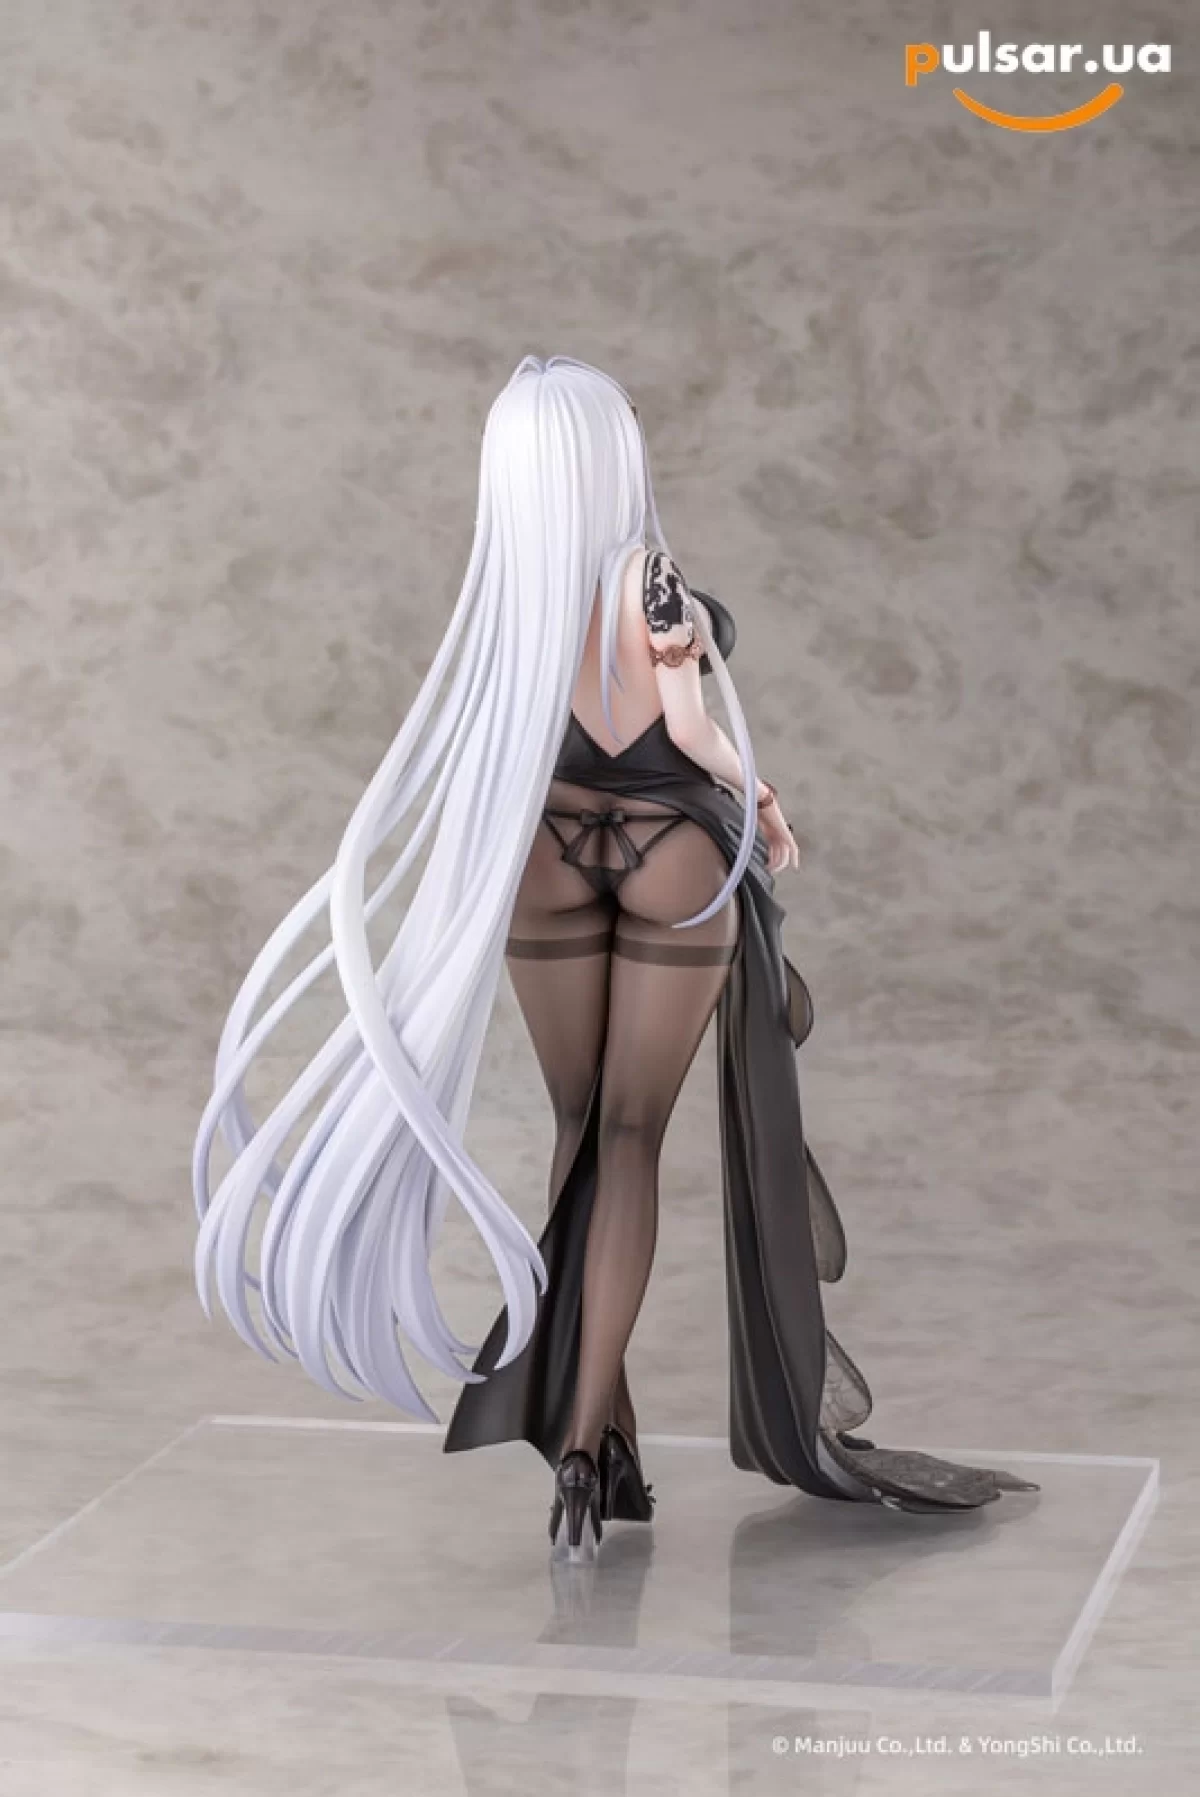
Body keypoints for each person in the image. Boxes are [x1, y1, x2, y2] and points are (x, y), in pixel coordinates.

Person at [193, 354, 1038, 1564]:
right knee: (630, 1140)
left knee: (578, 1133)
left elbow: (497, 760)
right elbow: (687, 731)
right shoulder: (648, 576)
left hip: (545, 852)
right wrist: (763, 799)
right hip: (668, 852)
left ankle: (592, 1445)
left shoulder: (511, 595)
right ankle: (589, 1441)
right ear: (607, 456)